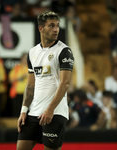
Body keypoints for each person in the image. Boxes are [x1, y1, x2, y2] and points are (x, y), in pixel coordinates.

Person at [17, 11, 74, 150]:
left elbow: (65, 83)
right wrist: (24, 110)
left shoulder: (64, 51)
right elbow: (30, 85)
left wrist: (50, 109)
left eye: (57, 26)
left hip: (54, 113)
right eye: (51, 26)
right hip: (34, 112)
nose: (56, 29)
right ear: (40, 28)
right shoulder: (32, 52)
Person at [9, 53, 28, 117]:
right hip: (17, 93)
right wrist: (20, 77)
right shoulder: (16, 68)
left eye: (27, 58)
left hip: (28, 93)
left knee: (27, 111)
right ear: (21, 59)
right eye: (24, 58)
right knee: (17, 110)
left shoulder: (31, 68)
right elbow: (10, 80)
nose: (26, 60)